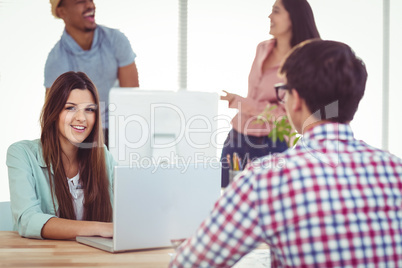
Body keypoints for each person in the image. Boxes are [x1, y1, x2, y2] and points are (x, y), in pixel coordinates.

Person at [169, 40, 402, 267]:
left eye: (284, 92)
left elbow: (189, 264)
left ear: (296, 99)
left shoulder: (265, 179)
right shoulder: (395, 170)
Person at [220, 0, 320, 187]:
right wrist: (242, 104)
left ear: (293, 18)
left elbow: (284, 115)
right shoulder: (262, 48)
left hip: (270, 142)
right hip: (237, 135)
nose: (269, 16)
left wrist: (240, 102)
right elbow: (255, 94)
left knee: (266, 201)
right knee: (227, 193)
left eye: (276, 11)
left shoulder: (301, 62)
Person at [7, 71, 116, 240]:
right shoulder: (21, 154)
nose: (81, 118)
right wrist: (102, 228)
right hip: (43, 260)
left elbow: (130, 206)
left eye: (89, 110)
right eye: (70, 108)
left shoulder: (103, 156)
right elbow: (28, 220)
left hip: (93, 260)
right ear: (54, 111)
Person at [45, 0, 140, 146]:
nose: (90, 5)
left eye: (90, 0)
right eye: (81, 1)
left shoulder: (116, 40)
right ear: (62, 11)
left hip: (119, 129)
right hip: (81, 133)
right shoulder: (56, 61)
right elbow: (53, 117)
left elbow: (131, 100)